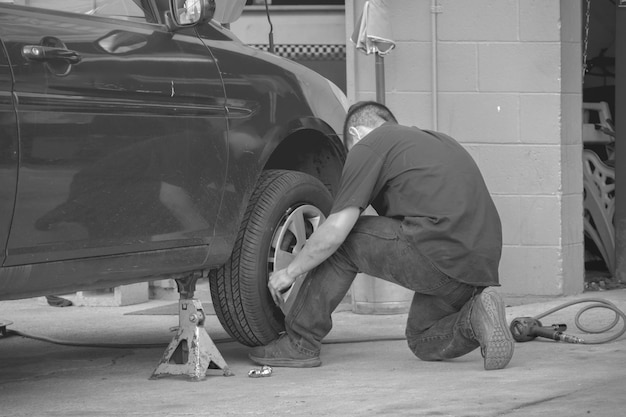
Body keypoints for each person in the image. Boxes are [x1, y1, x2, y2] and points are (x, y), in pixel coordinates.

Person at [249, 101, 514, 370]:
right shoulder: (438, 142)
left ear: (355, 133)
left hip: (437, 251)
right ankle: (476, 317)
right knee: (423, 339)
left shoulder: (370, 143)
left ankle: (299, 343)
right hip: (477, 270)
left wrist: (290, 272)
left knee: (345, 240)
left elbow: (334, 233)